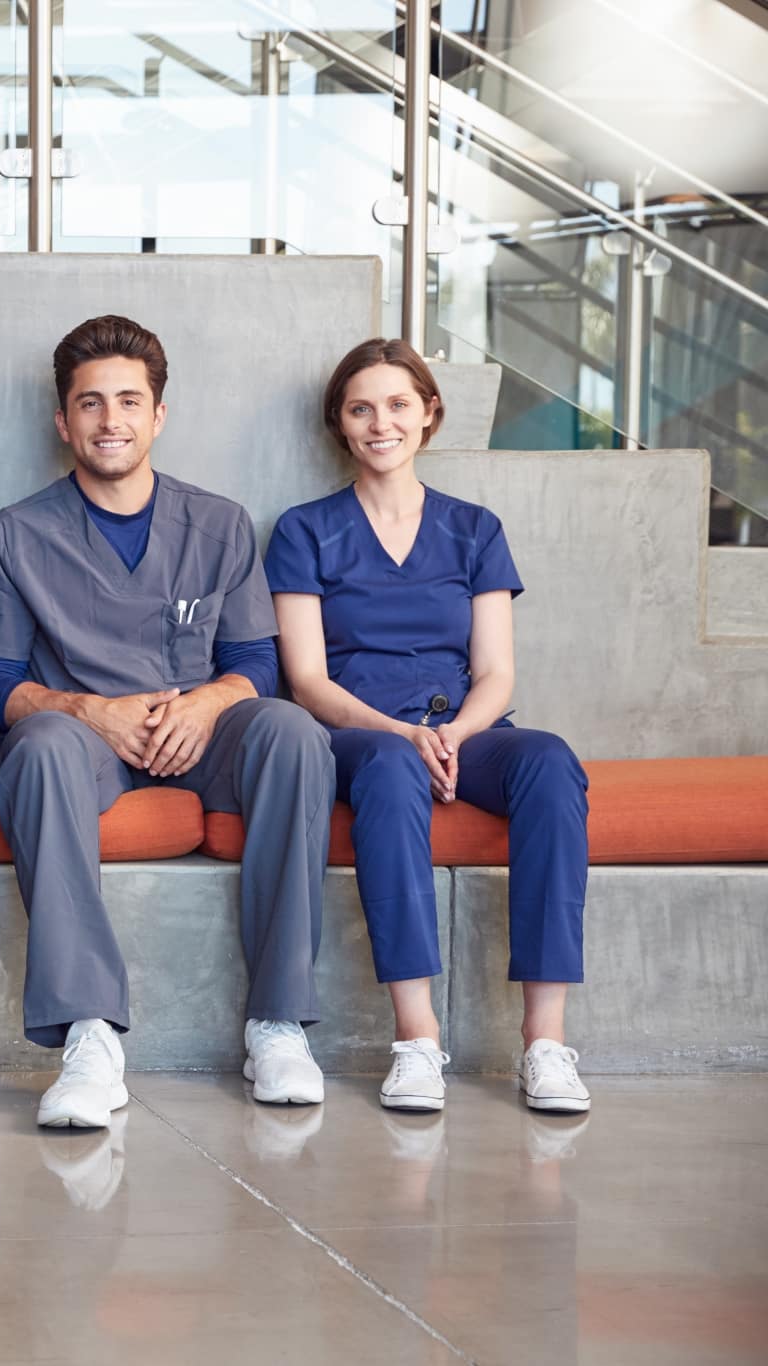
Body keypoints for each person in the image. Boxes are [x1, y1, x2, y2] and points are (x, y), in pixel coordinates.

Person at [0, 314, 335, 1129]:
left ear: (159, 416)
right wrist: (86, 710)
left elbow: (259, 663)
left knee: (292, 733)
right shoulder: (17, 535)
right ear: (63, 421)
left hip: (199, 735)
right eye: (90, 404)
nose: (111, 421)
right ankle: (89, 1034)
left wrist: (206, 702)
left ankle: (277, 1023)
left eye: (129, 401)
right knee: (35, 748)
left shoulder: (220, 523)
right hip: (84, 743)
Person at [266, 338, 590, 1115]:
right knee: (387, 764)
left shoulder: (474, 529)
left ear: (429, 414)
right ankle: (417, 1041)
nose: (382, 422)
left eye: (399, 404)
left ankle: (544, 1044)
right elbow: (308, 683)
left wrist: (454, 734)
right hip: (362, 734)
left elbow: (497, 673)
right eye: (362, 408)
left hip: (465, 733)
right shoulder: (303, 531)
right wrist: (403, 734)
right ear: (340, 425)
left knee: (549, 761)